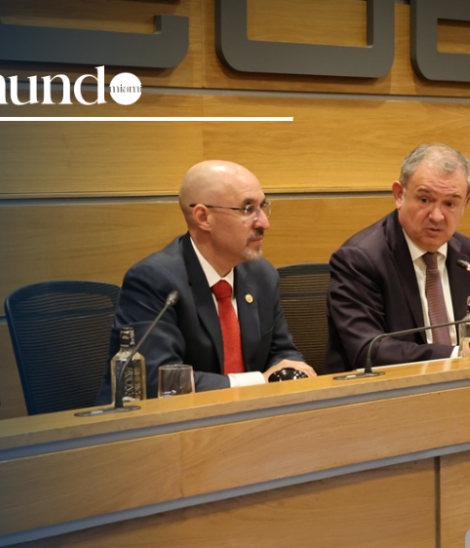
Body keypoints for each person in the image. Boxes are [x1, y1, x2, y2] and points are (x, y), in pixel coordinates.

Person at [98, 161, 313, 402]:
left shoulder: (261, 275)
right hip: (170, 421)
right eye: (247, 209)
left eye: (262, 206)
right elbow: (156, 380)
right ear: (203, 217)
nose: (264, 222)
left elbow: (282, 352)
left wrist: (294, 369)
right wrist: (259, 381)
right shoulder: (153, 280)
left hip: (249, 417)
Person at [325, 144, 470, 373]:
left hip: (468, 387)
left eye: (450, 204)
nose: (436, 216)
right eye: (425, 200)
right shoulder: (360, 259)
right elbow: (368, 351)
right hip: (385, 390)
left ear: (465, 204)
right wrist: (459, 354)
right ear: (399, 195)